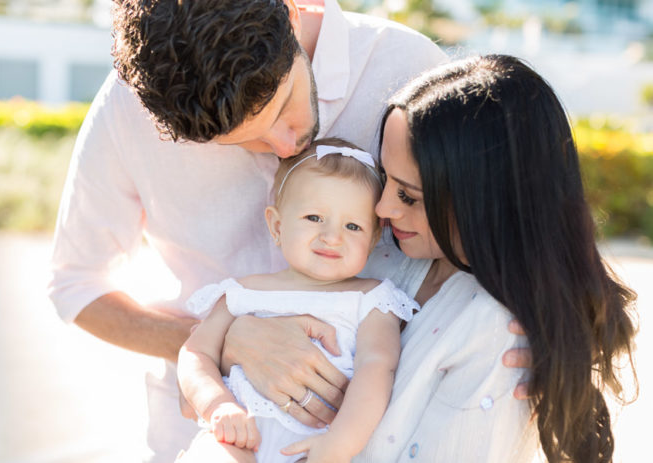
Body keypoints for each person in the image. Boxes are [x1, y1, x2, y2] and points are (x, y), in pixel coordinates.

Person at [47, 1, 529, 460]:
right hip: (208, 439)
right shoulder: (129, 108)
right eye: (239, 140)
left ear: (292, 16)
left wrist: (573, 319)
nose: (282, 146)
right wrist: (223, 340)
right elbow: (77, 286)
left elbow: (511, 211)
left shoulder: (408, 66)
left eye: (281, 108)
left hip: (382, 439)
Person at [343, 54, 636, 462]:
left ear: (483, 200)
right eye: (385, 179)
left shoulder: (497, 332)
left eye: (409, 195)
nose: (382, 208)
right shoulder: (385, 251)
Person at [177, 139, 418, 463]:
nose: (332, 236)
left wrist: (340, 444)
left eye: (352, 226)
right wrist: (217, 404)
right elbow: (195, 354)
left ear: (373, 239)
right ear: (277, 225)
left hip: (318, 445)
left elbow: (377, 369)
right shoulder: (241, 293)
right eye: (314, 217)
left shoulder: (372, 299)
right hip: (237, 436)